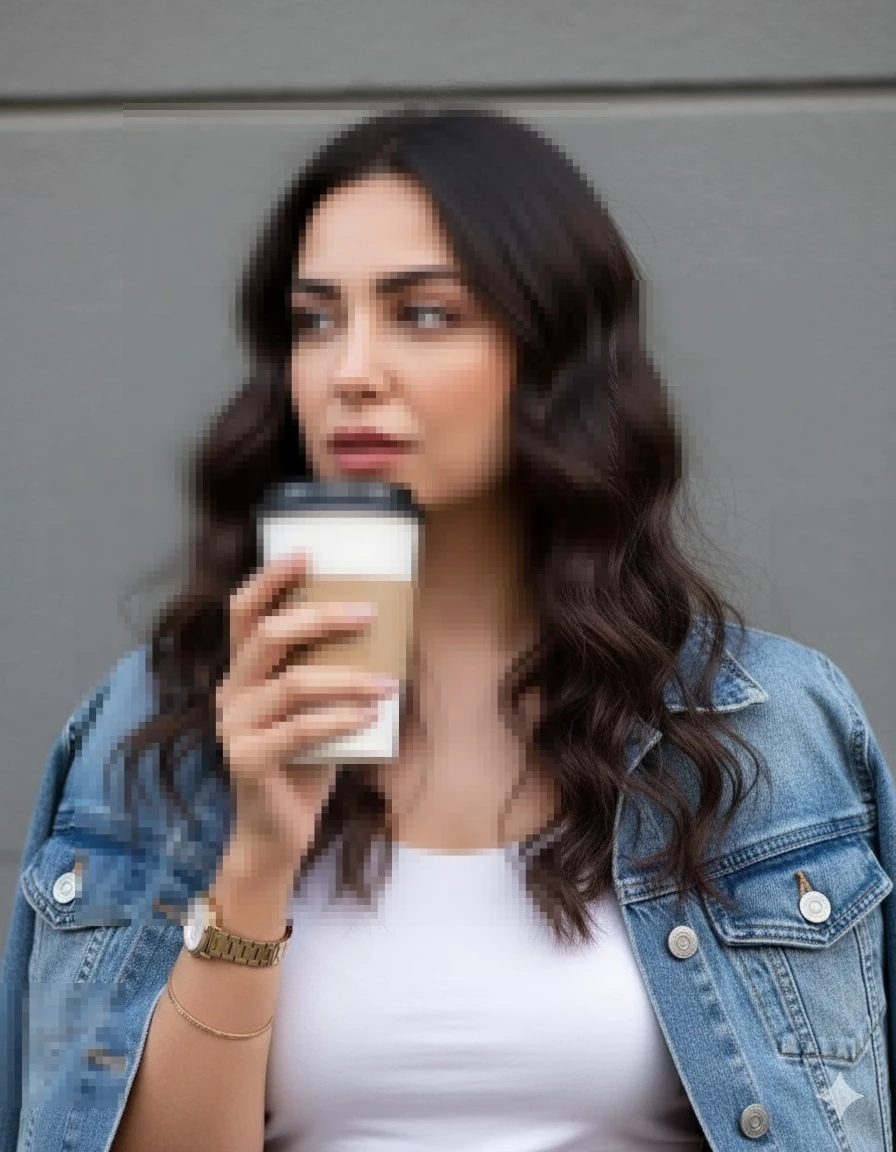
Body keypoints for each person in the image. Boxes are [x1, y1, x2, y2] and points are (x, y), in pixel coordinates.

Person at [1, 105, 894, 1152]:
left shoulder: (768, 725)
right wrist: (254, 859)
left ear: (551, 351)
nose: (350, 373)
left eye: (422, 314)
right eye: (315, 320)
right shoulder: (144, 728)